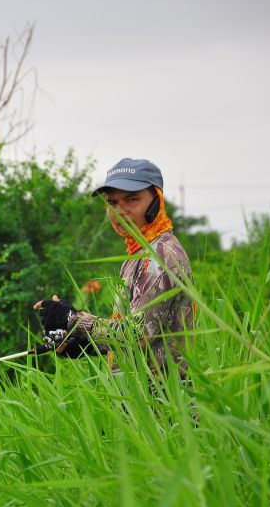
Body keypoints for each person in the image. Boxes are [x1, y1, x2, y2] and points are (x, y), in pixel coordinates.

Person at [34, 158, 194, 375]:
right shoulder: (137, 255)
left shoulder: (162, 254)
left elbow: (136, 336)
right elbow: (142, 336)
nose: (120, 210)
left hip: (164, 401)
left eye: (132, 199)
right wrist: (86, 343)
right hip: (137, 398)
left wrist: (74, 319)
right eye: (113, 202)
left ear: (156, 200)